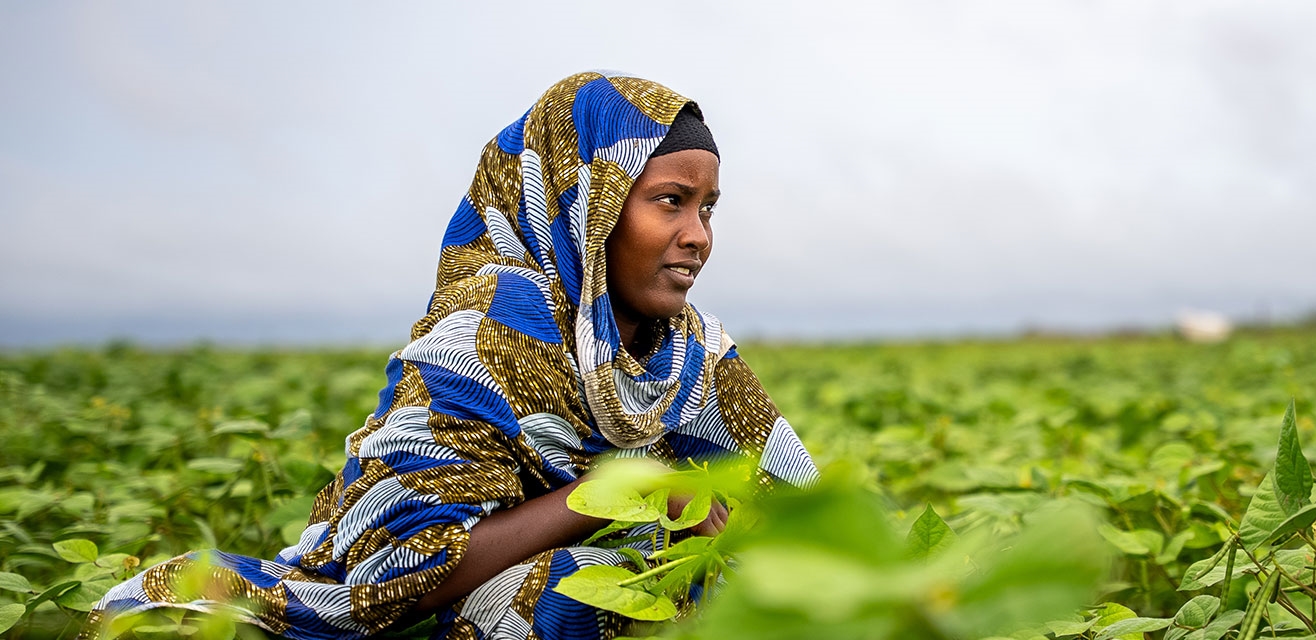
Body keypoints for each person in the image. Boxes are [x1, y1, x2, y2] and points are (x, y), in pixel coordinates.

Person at [84, 71, 819, 640]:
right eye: (669, 200)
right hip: (363, 609)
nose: (698, 234)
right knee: (541, 597)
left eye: (708, 206)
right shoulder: (487, 332)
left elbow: (809, 517)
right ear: (585, 202)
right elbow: (397, 576)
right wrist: (628, 489)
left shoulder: (691, 352)